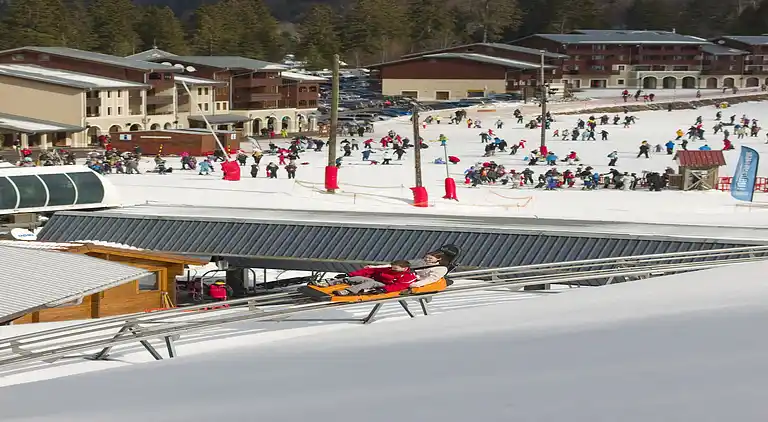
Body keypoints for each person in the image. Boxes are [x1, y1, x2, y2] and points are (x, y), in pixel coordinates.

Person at [315, 260, 417, 296]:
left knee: (370, 283)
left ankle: (348, 291)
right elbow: (369, 271)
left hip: (386, 285)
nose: (393, 269)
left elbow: (399, 285)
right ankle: (330, 282)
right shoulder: (388, 269)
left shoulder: (408, 276)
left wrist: (385, 289)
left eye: (395, 268)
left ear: (404, 268)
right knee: (357, 278)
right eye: (392, 267)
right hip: (377, 280)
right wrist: (351, 274)